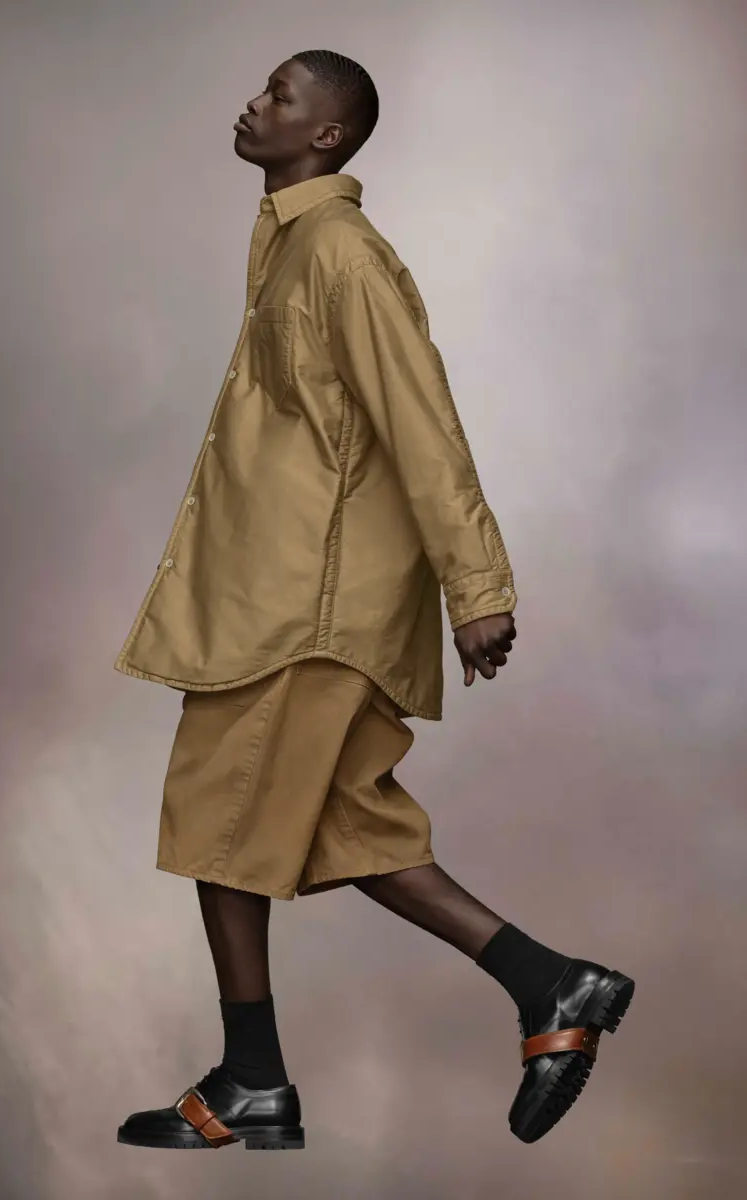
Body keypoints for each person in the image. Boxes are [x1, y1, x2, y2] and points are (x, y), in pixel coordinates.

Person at [115, 49, 633, 1153]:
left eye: (280, 96)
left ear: (328, 135)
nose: (252, 103)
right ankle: (552, 987)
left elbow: (419, 417)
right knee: (348, 826)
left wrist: (476, 586)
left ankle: (253, 1080)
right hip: (280, 592)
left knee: (216, 821)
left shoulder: (341, 254)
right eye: (261, 87)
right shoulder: (289, 245)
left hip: (307, 606)